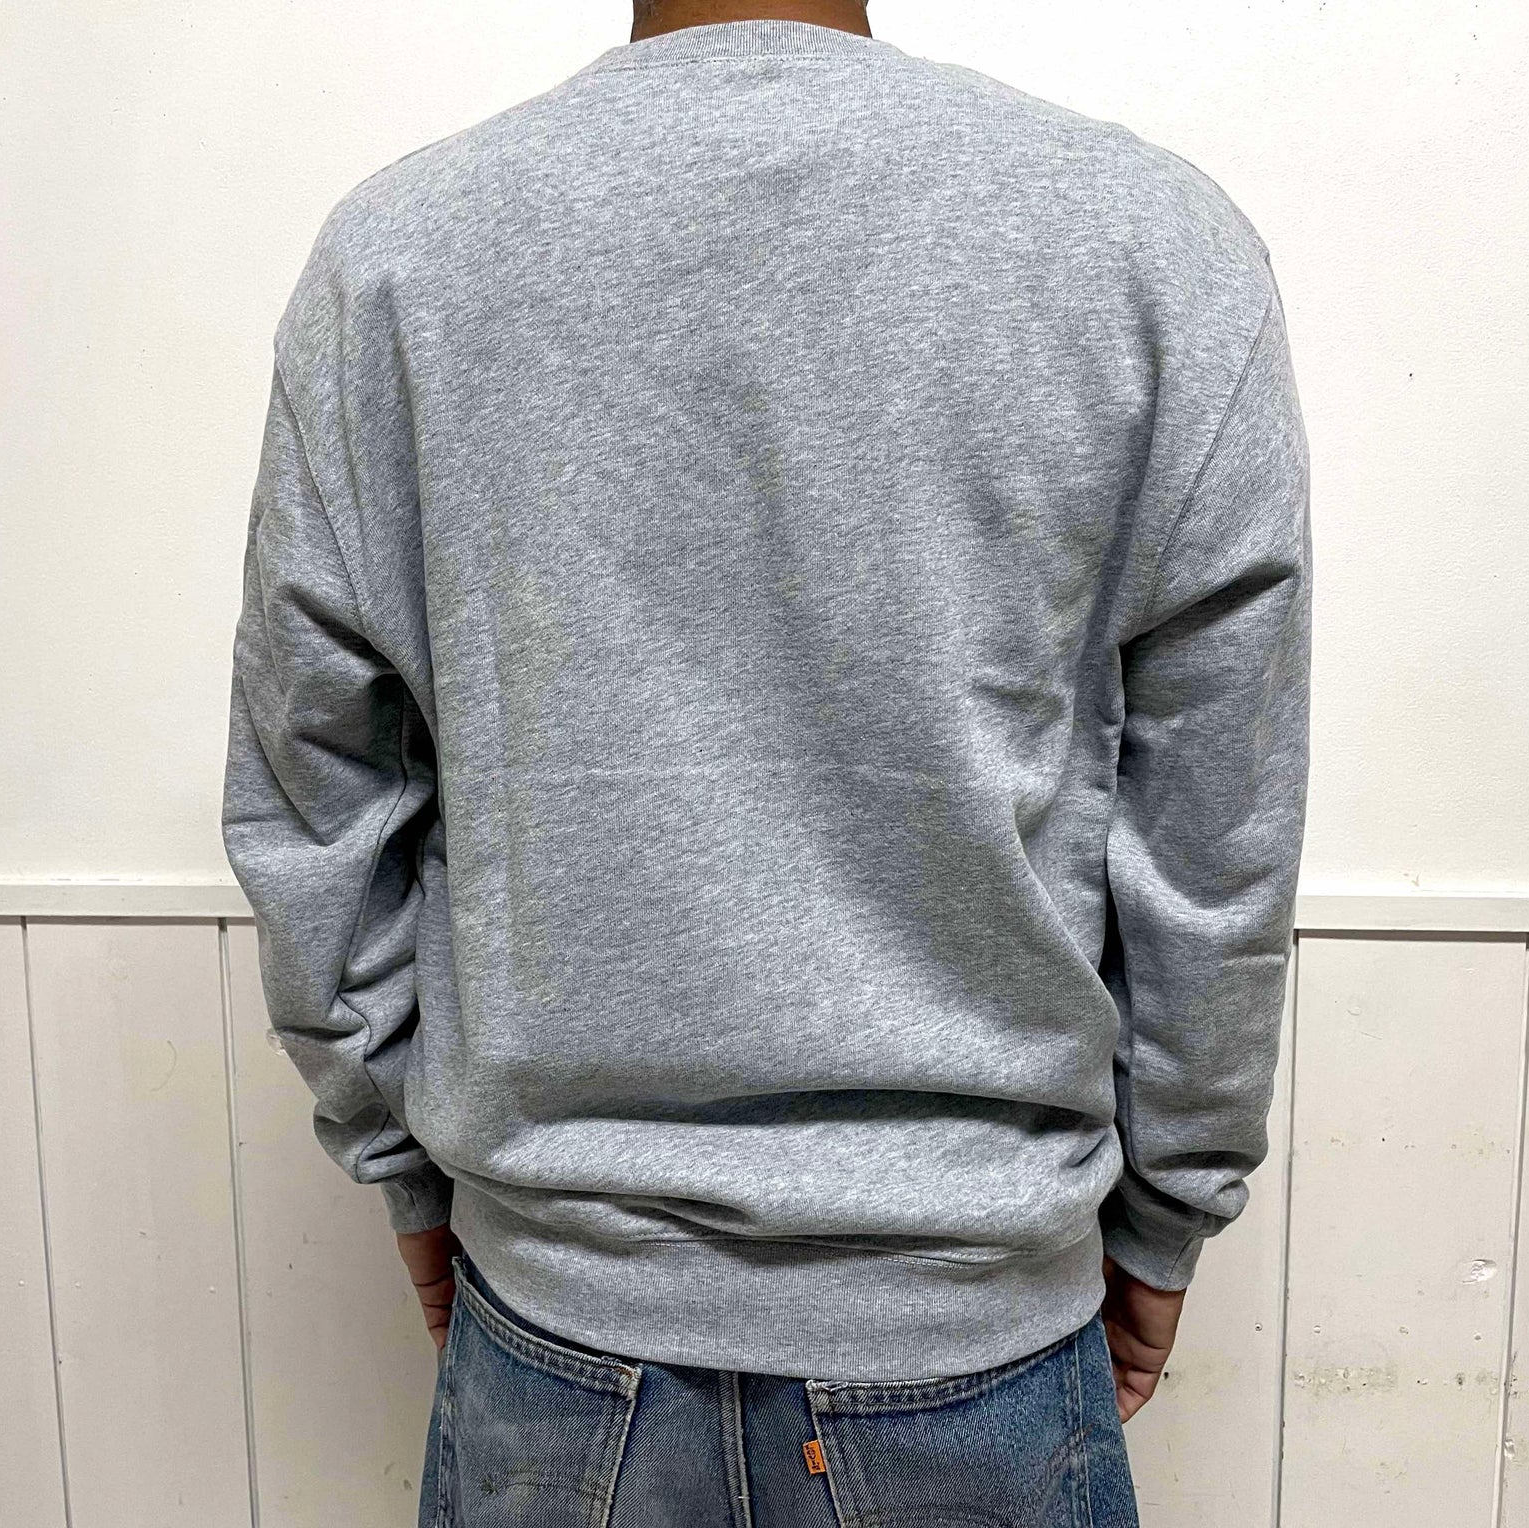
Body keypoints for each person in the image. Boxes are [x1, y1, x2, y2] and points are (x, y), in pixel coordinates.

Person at [221, 1, 1311, 1521]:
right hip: (978, 1344)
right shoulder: (1147, 245)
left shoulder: (400, 259)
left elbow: (312, 794)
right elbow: (1214, 831)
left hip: (556, 1344)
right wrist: (1170, 1208)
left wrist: (402, 1157)